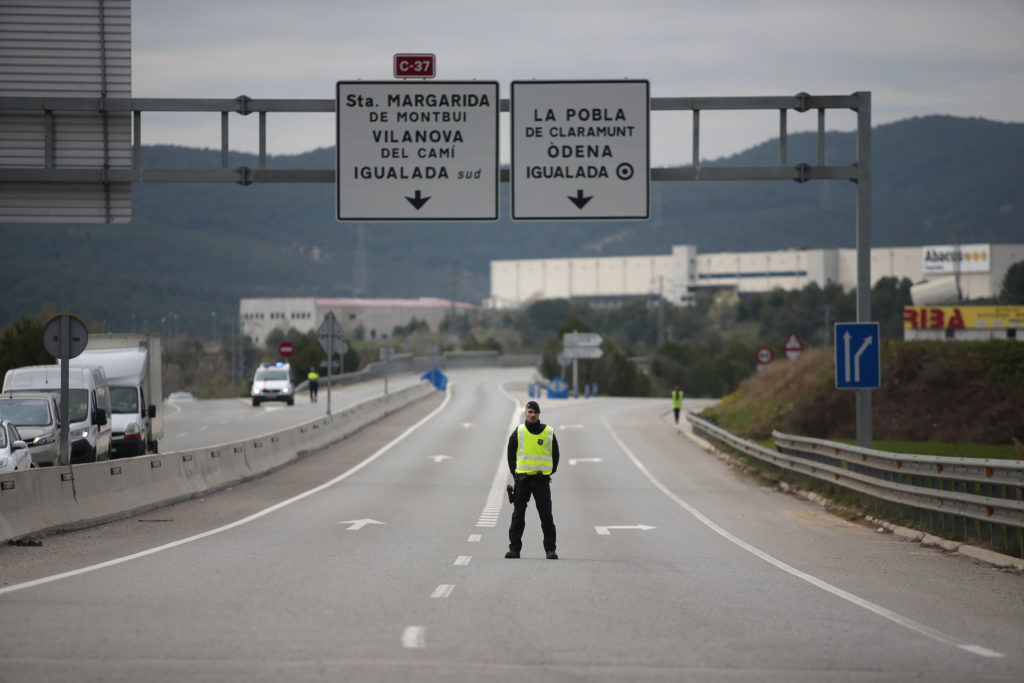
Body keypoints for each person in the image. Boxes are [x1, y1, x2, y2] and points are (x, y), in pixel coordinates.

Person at [506, 400, 559, 560]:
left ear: (539, 414)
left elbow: (555, 455)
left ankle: (550, 550)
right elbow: (510, 454)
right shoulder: (519, 432)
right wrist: (515, 474)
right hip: (522, 480)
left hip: (542, 481)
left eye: (535, 412)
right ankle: (514, 549)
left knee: (546, 516)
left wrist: (548, 472)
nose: (533, 415)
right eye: (530, 412)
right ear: (525, 413)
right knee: (518, 516)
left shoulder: (548, 432)